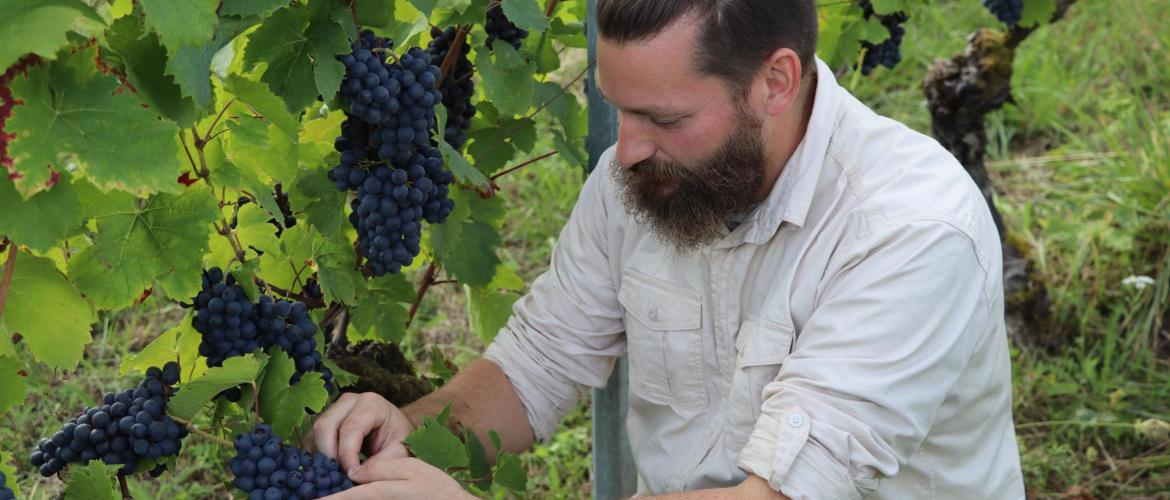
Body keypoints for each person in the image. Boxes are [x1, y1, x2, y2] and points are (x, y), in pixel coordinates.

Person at [312, 1, 1027, 498]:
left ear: (775, 82)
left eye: (664, 116)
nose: (625, 149)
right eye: (618, 107)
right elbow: (540, 361)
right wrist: (412, 428)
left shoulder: (910, 230)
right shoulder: (647, 177)